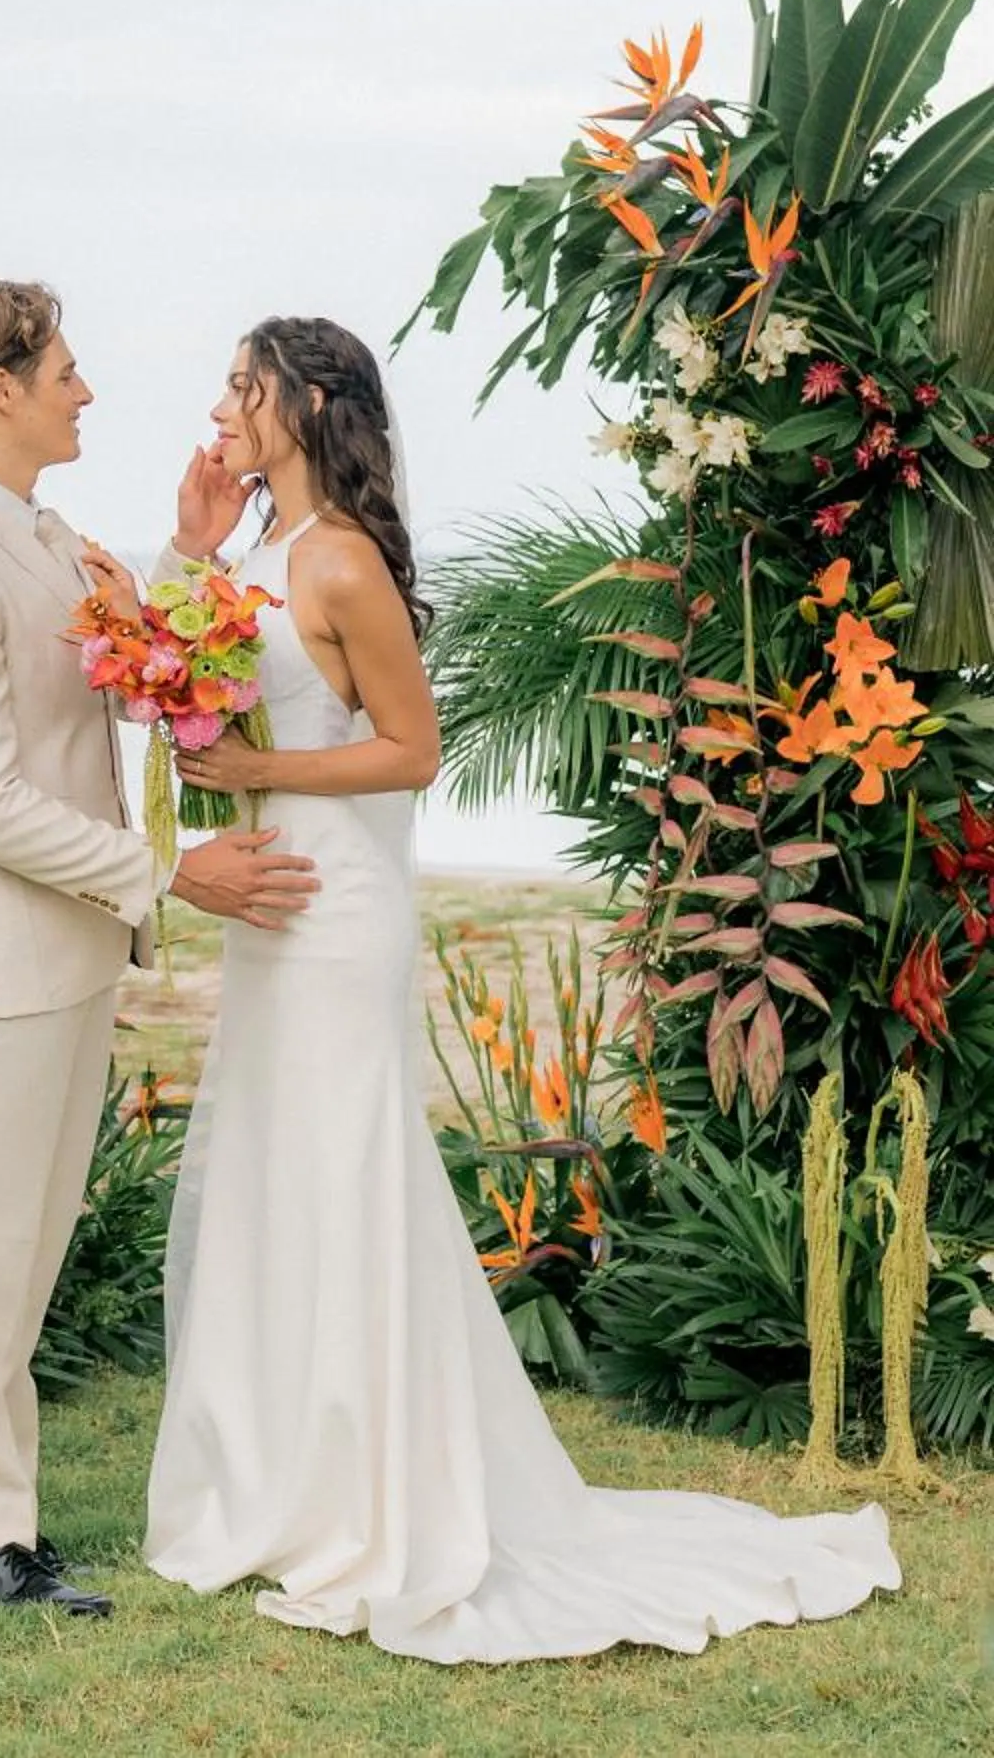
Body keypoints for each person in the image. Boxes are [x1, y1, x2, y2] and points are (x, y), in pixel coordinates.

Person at [139, 312, 900, 1660]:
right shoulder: (255, 550)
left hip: (337, 905)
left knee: (343, 1170)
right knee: (274, 1168)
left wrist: (257, 774)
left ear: (306, 405)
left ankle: (369, 1490)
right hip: (271, 899)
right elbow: (166, 683)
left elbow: (412, 750)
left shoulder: (342, 559)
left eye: (242, 386)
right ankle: (274, 1474)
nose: (220, 407)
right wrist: (191, 548)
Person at [0, 280, 319, 1620]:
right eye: (64, 370)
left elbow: (120, 682)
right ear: (0, 388)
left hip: (63, 953)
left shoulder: (45, 535)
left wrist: (186, 551)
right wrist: (174, 871)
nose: (85, 391)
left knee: (25, 1251)